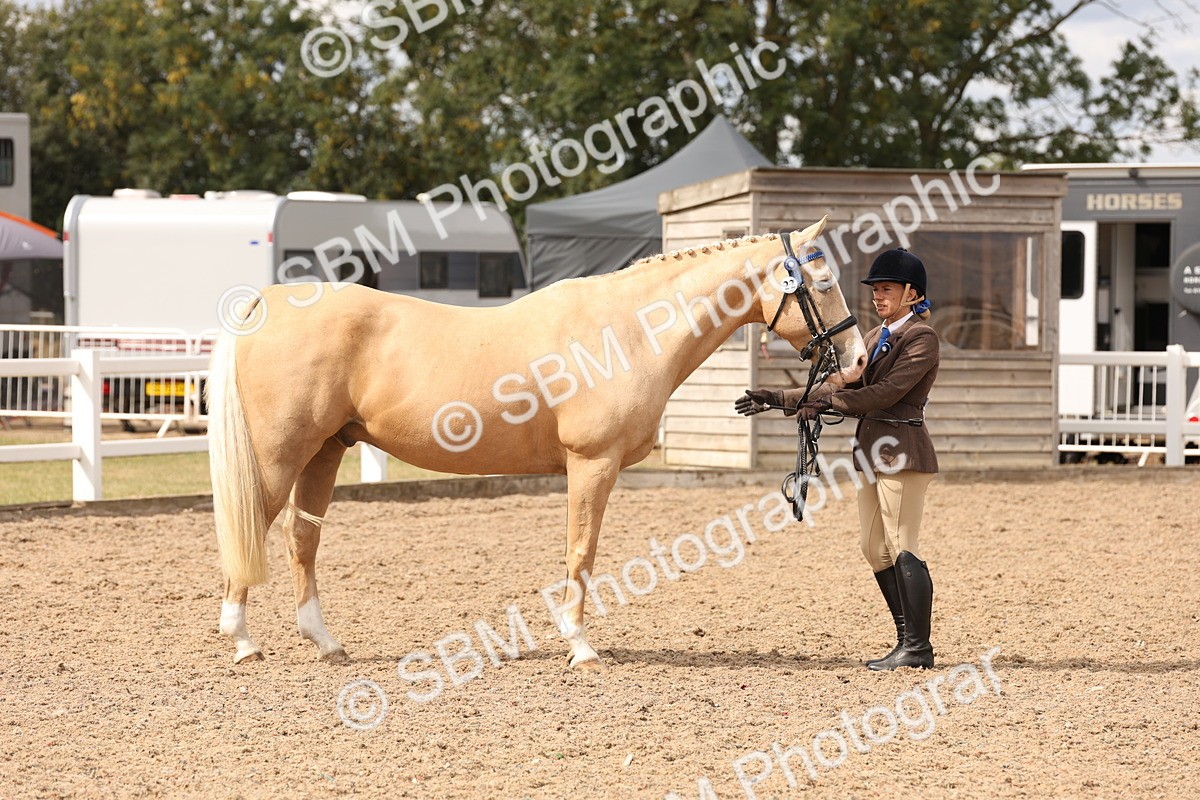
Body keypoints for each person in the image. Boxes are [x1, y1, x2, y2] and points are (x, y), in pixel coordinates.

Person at [736, 248, 940, 670]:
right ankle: (906, 640)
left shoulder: (922, 338)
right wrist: (777, 398)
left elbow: (885, 394)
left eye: (886, 290)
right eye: (876, 290)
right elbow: (838, 384)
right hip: (869, 453)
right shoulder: (871, 337)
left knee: (902, 544)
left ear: (911, 294)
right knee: (873, 548)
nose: (877, 297)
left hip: (903, 451)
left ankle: (919, 647)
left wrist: (840, 404)